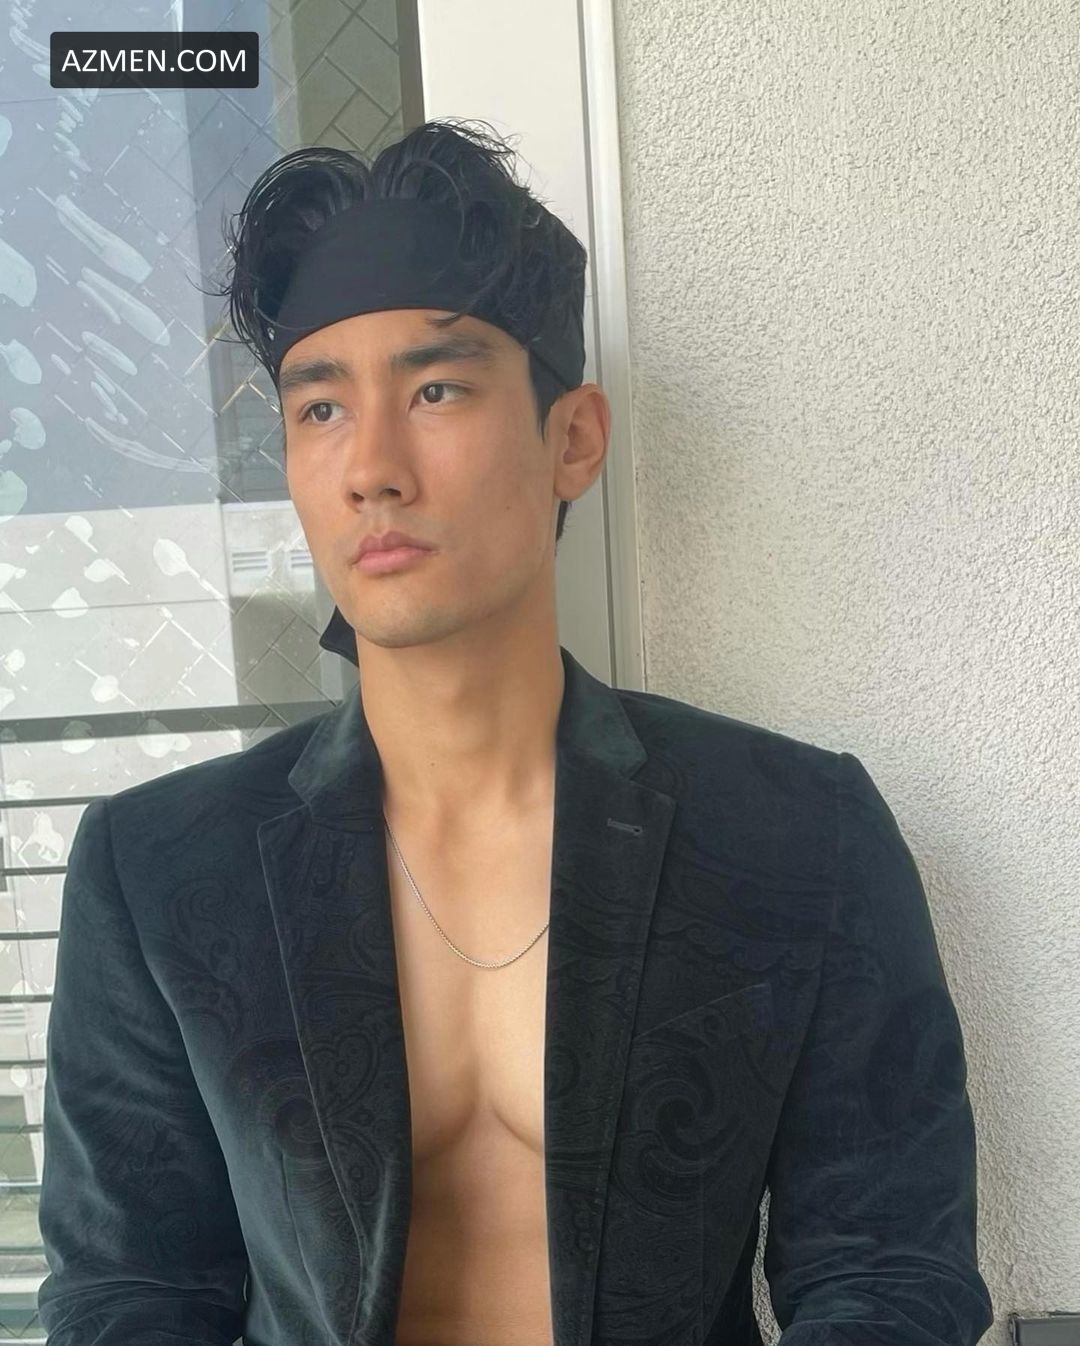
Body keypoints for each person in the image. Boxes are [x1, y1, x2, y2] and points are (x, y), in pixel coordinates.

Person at [37, 119, 994, 1346]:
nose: (372, 466)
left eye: (435, 389)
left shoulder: (797, 831)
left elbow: (889, 1269)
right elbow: (129, 1294)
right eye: (320, 407)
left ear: (572, 439)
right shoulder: (161, 868)